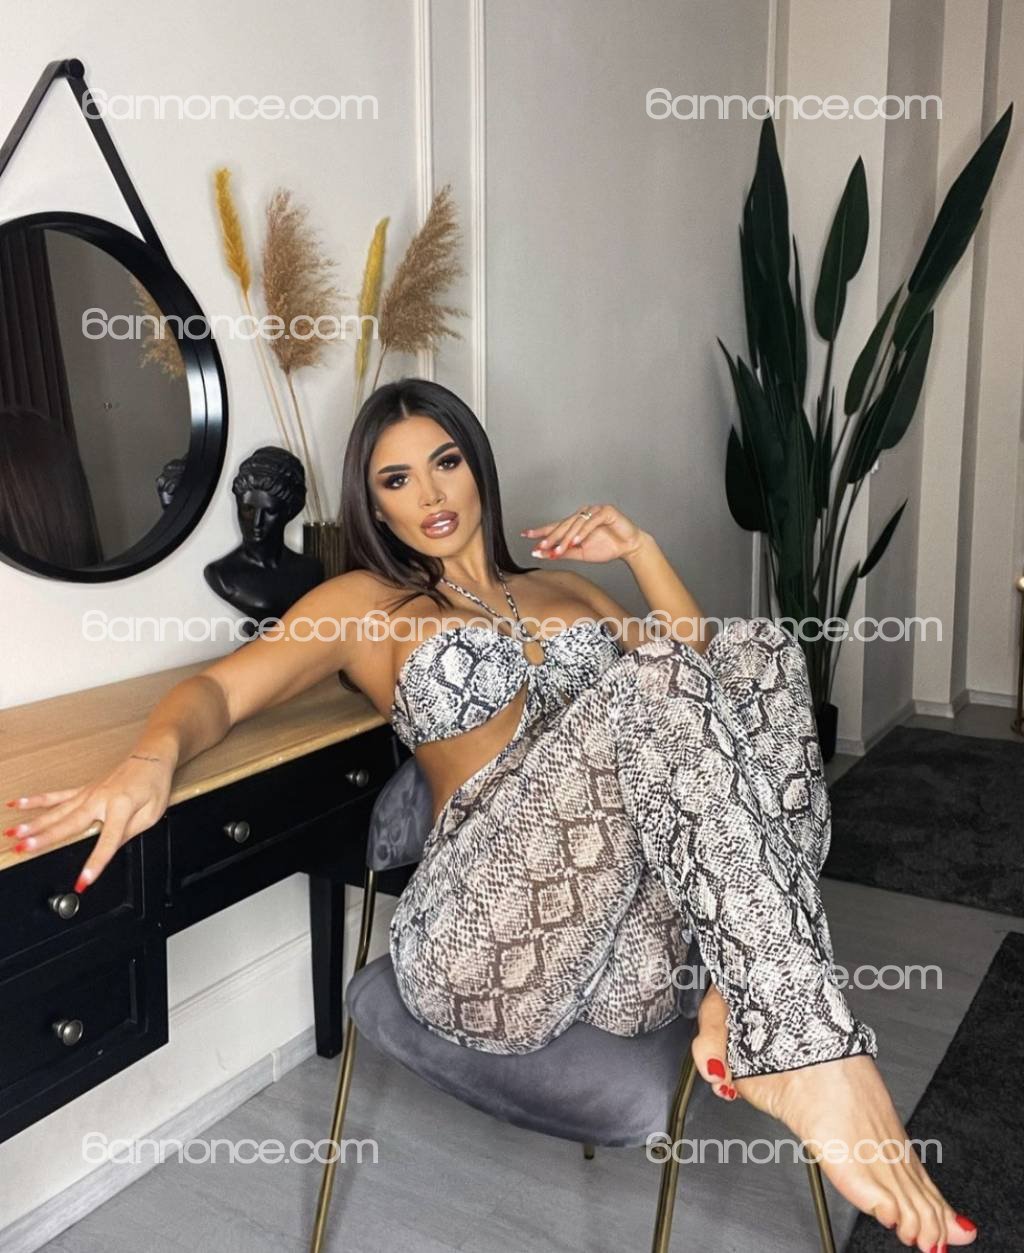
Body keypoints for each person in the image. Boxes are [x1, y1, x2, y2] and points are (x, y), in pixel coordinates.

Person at [4, 378, 976, 1251]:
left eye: (446, 462)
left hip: (626, 957)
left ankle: (748, 999)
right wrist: (149, 759)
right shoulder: (369, 603)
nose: (429, 494)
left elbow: (704, 696)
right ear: (373, 502)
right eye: (395, 479)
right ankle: (801, 1041)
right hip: (480, 946)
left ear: (478, 466)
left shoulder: (565, 587)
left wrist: (639, 550)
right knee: (658, 680)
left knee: (755, 650)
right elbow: (217, 691)